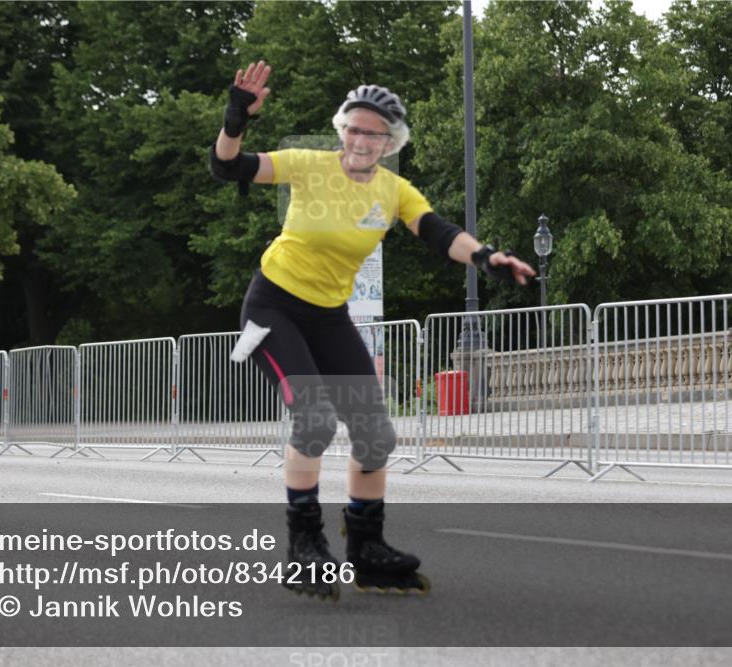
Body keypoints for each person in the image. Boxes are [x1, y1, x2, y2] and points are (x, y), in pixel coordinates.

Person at [210, 61, 536, 600]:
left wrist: (486, 258)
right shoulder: (308, 166)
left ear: (390, 142)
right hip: (274, 307)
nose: (363, 139)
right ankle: (304, 542)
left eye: (375, 132)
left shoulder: (393, 190)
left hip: (328, 316)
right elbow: (227, 168)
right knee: (313, 418)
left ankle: (366, 546)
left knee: (375, 433)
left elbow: (438, 233)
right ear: (342, 130)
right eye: (355, 127)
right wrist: (235, 117)